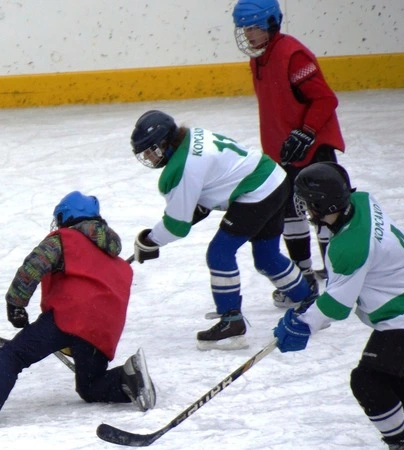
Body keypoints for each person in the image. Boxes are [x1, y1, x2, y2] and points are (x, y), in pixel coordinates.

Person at [0, 191, 155, 430]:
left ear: (64, 216)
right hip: (102, 331)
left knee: (13, 355)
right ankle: (127, 377)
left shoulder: (64, 239)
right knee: (90, 386)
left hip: (69, 317)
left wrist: (16, 303)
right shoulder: (114, 260)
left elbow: (34, 265)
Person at [273, 162, 404, 450]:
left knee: (367, 381)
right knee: (391, 383)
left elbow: (337, 305)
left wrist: (303, 323)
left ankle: (399, 445)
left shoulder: (350, 247)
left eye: (309, 202)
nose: (305, 208)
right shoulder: (361, 201)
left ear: (322, 204)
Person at [130, 110, 315, 351]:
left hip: (256, 192)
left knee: (220, 253)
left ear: (165, 142)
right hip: (274, 178)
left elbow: (176, 226)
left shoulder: (180, 167)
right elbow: (216, 177)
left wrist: (150, 240)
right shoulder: (192, 137)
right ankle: (306, 299)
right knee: (266, 256)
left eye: (151, 150)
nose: (149, 157)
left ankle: (231, 322)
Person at [232, 0, 346, 306]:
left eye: (254, 27)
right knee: (291, 214)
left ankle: (338, 277)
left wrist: (306, 132)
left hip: (313, 149)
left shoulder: (291, 55)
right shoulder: (260, 58)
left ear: (271, 23)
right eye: (244, 28)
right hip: (283, 152)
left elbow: (324, 99)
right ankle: (304, 275)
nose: (248, 34)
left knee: (324, 214)